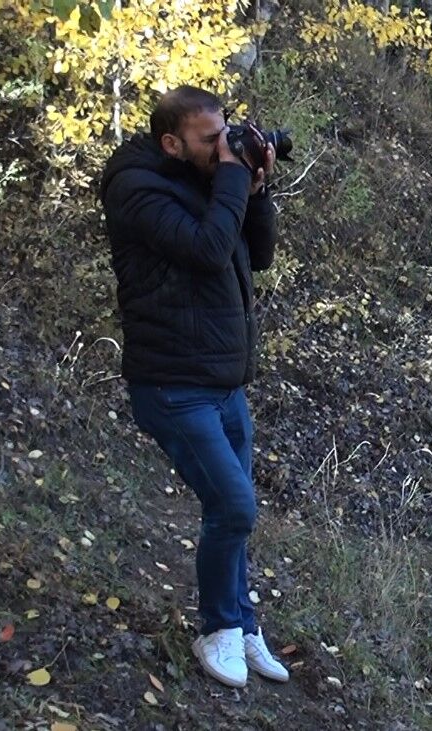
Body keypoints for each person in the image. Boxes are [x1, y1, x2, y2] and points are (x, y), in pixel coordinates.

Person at [99, 85, 289, 688]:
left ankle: (243, 625)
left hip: (224, 383)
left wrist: (256, 188)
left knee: (232, 514)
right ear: (171, 143)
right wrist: (231, 177)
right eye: (210, 140)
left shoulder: (209, 177)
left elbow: (256, 255)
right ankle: (217, 628)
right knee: (234, 506)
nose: (222, 147)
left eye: (224, 134)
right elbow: (207, 251)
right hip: (172, 384)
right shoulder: (136, 189)